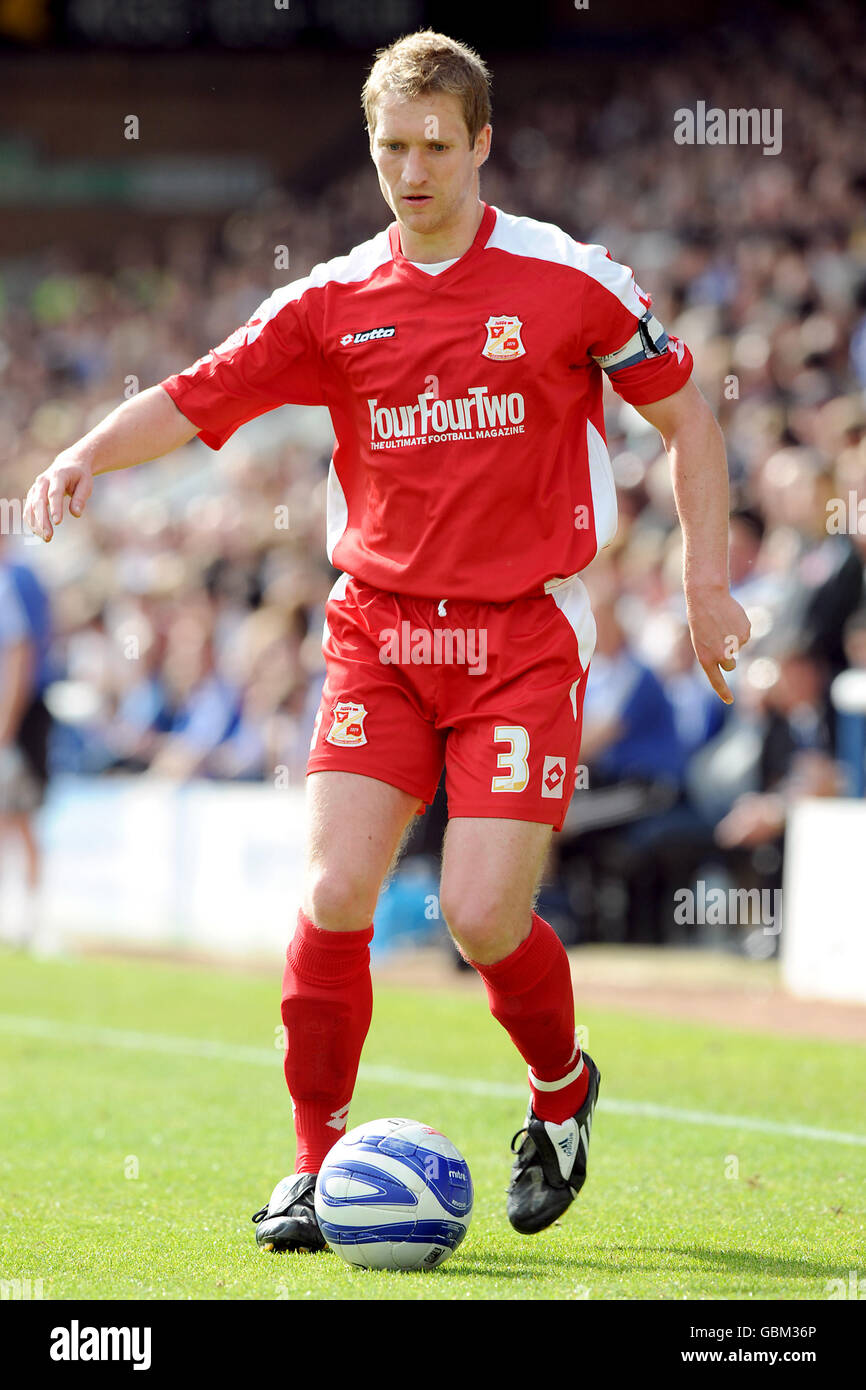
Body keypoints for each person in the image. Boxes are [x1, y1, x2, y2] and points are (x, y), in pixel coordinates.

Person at [23, 30, 750, 1250]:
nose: (410, 171)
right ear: (371, 148)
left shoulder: (567, 280)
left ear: (480, 144)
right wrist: (86, 449)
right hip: (379, 635)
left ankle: (560, 1093)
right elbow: (197, 392)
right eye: (388, 148)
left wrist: (707, 583)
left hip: (522, 634)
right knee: (334, 890)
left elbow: (689, 420)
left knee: (478, 916)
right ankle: (311, 1164)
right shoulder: (331, 299)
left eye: (432, 146)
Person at [0, 536, 53, 947]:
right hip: (15, 720)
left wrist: (5, 727)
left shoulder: (10, 581)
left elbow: (20, 656)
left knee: (18, 817)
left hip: (13, 724)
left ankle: (32, 919)